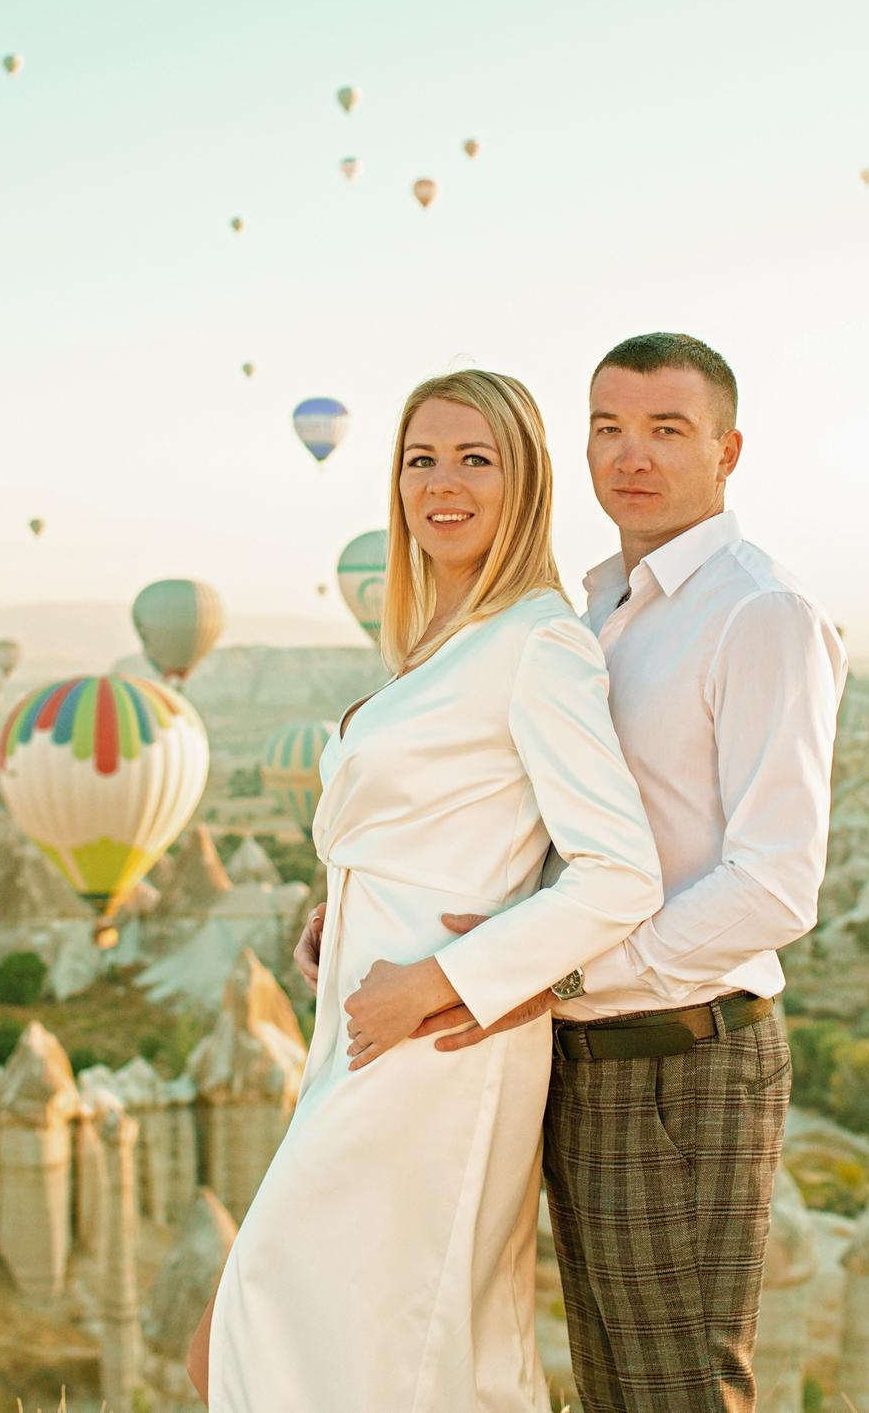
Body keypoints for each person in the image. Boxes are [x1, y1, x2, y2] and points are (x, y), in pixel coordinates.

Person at [306, 331, 847, 1413]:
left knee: (674, 1391)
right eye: (608, 429)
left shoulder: (757, 614)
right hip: (576, 1057)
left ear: (728, 450)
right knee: (608, 1387)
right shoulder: (601, 606)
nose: (630, 456)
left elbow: (776, 885)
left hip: (678, 1060)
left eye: (666, 431)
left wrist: (542, 980)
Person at [191, 367, 665, 1413]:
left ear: (526, 481)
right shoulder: (438, 647)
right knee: (341, 1347)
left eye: (474, 459)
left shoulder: (536, 642)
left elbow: (619, 872)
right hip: (363, 1026)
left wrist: (441, 978)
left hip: (433, 1046)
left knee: (318, 1336)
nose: (440, 484)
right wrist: (343, 917)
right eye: (419, 459)